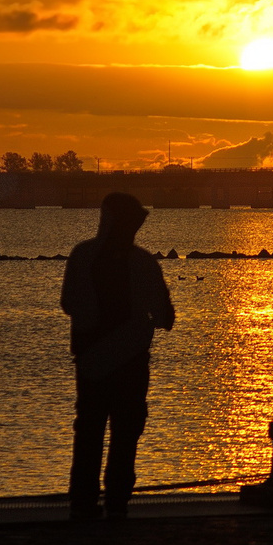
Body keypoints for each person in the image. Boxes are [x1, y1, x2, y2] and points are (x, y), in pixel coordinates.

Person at [60, 192, 176, 520]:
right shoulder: (142, 262)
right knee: (123, 433)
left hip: (93, 361)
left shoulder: (83, 255)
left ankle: (84, 503)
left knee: (91, 431)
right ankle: (116, 502)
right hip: (129, 361)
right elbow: (166, 317)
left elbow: (69, 303)